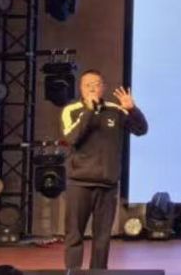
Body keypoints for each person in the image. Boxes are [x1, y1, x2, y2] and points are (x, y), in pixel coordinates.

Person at [60, 69, 148, 270]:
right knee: (74, 235)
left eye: (96, 84)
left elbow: (141, 130)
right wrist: (89, 111)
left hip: (108, 185)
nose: (92, 88)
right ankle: (72, 273)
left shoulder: (115, 110)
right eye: (88, 85)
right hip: (80, 184)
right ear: (81, 88)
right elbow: (72, 138)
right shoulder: (71, 110)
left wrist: (133, 109)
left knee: (102, 238)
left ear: (103, 88)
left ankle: (98, 273)